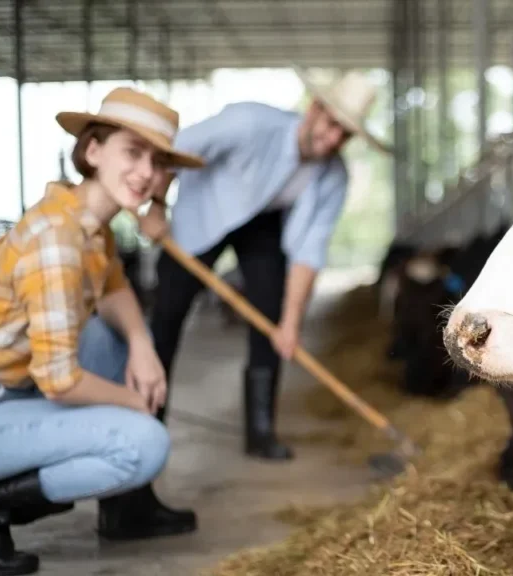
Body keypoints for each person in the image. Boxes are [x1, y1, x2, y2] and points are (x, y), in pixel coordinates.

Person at [0, 87, 204, 576]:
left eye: (158, 162)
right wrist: (132, 401)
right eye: (133, 153)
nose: (146, 172)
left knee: (110, 335)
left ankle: (126, 510)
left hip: (5, 392)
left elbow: (114, 286)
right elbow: (59, 381)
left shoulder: (89, 222)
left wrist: (142, 345)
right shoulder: (57, 240)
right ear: (93, 150)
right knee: (145, 443)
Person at [144, 71, 390, 464]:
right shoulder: (249, 123)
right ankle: (147, 425)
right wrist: (156, 206)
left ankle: (260, 432)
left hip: (263, 224)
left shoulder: (334, 176)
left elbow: (309, 252)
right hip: (202, 213)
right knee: (167, 316)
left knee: (271, 317)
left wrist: (290, 324)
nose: (333, 140)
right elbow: (172, 149)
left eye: (345, 135)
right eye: (331, 125)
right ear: (315, 109)